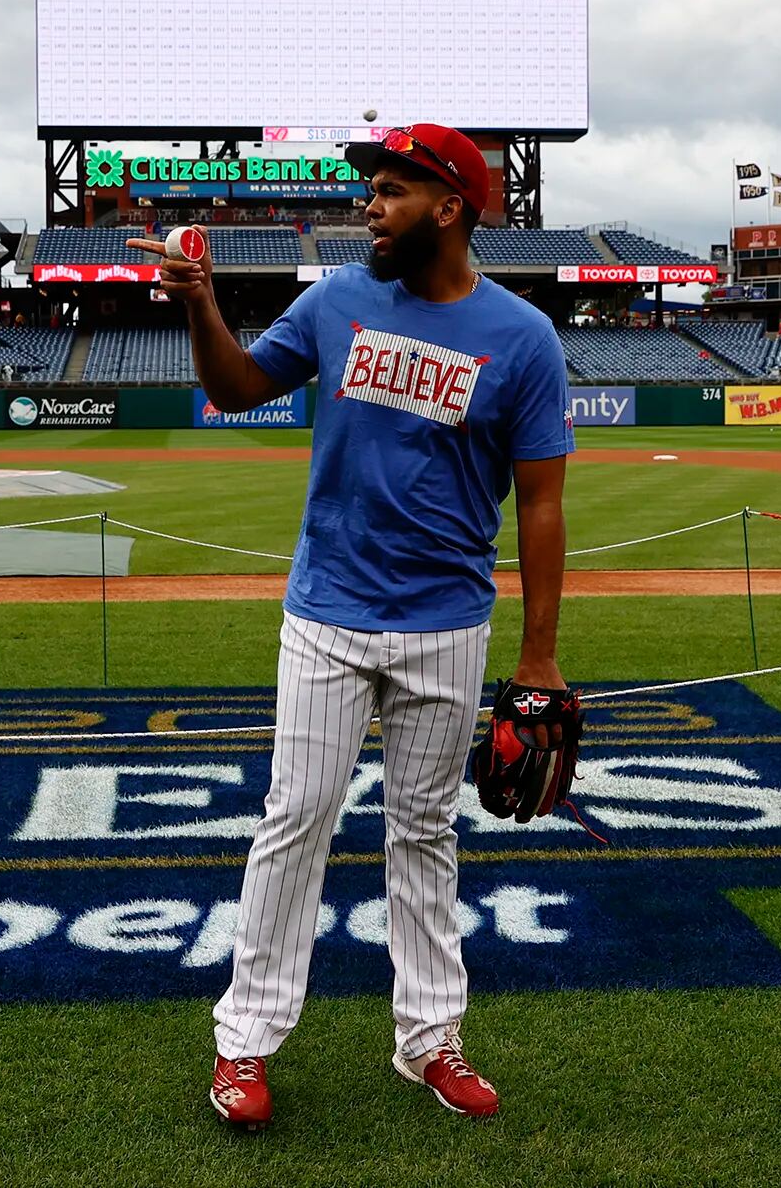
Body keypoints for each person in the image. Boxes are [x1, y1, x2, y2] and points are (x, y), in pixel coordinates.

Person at [129, 122, 573, 1130]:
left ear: (450, 207)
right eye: (368, 187)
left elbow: (542, 501)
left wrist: (539, 655)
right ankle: (243, 1042)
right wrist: (201, 306)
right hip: (327, 609)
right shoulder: (334, 300)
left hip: (448, 620)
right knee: (297, 820)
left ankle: (431, 1038)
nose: (369, 203)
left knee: (424, 830)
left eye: (391, 189)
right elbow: (236, 387)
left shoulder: (525, 336)